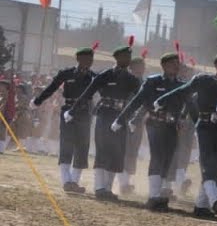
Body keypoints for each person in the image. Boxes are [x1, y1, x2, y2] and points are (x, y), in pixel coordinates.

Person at [154, 45, 217, 217]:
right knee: (208, 164)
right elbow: (182, 91)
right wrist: (162, 100)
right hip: (205, 126)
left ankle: (201, 206)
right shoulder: (203, 80)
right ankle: (214, 200)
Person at [66, 39, 142, 200]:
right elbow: (87, 93)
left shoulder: (132, 79)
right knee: (102, 150)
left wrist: (136, 117)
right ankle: (99, 187)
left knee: (117, 153)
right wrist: (72, 111)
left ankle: (107, 188)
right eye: (125, 56)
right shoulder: (106, 75)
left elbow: (140, 98)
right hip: (104, 115)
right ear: (117, 58)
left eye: (129, 56)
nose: (128, 59)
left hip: (121, 117)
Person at [116, 46, 186, 210]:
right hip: (155, 123)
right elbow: (138, 101)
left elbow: (189, 105)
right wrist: (122, 119)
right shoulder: (153, 82)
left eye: (177, 63)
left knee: (168, 158)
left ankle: (160, 194)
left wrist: (185, 118)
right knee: (157, 156)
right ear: (164, 66)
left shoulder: (182, 85)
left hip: (172, 126)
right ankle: (153, 196)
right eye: (173, 63)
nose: (176, 66)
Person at [33, 45, 98, 192]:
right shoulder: (66, 73)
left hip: (84, 113)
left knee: (82, 146)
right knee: (66, 144)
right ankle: (66, 180)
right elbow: (51, 88)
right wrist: (38, 101)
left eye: (91, 59)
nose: (90, 62)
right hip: (68, 111)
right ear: (78, 59)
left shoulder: (93, 77)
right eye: (87, 59)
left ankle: (74, 181)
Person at [119, 55, 148, 194]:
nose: (143, 69)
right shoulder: (126, 81)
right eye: (140, 66)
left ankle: (126, 181)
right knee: (123, 150)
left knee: (132, 151)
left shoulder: (145, 82)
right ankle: (122, 183)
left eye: (143, 66)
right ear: (132, 67)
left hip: (138, 120)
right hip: (124, 118)